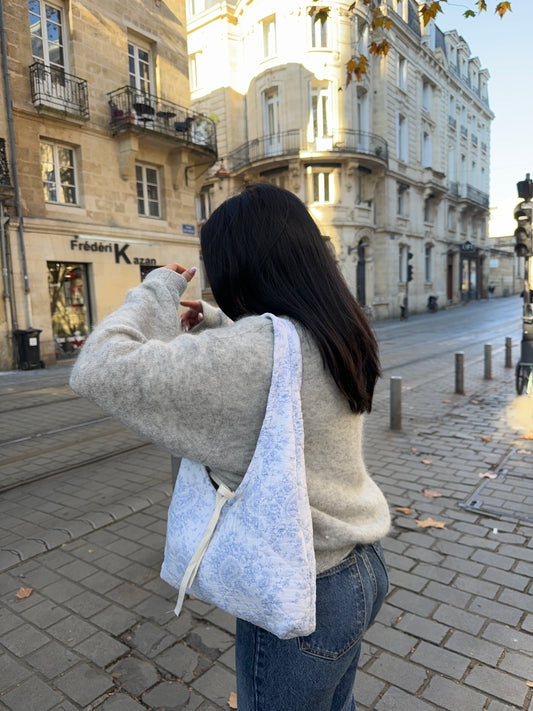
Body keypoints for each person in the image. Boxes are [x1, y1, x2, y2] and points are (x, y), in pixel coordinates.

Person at [70, 183, 391, 711]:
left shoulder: (255, 356)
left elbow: (99, 367)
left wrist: (156, 290)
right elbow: (277, 361)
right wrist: (220, 322)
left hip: (300, 588)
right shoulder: (336, 325)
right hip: (359, 567)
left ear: (237, 267)